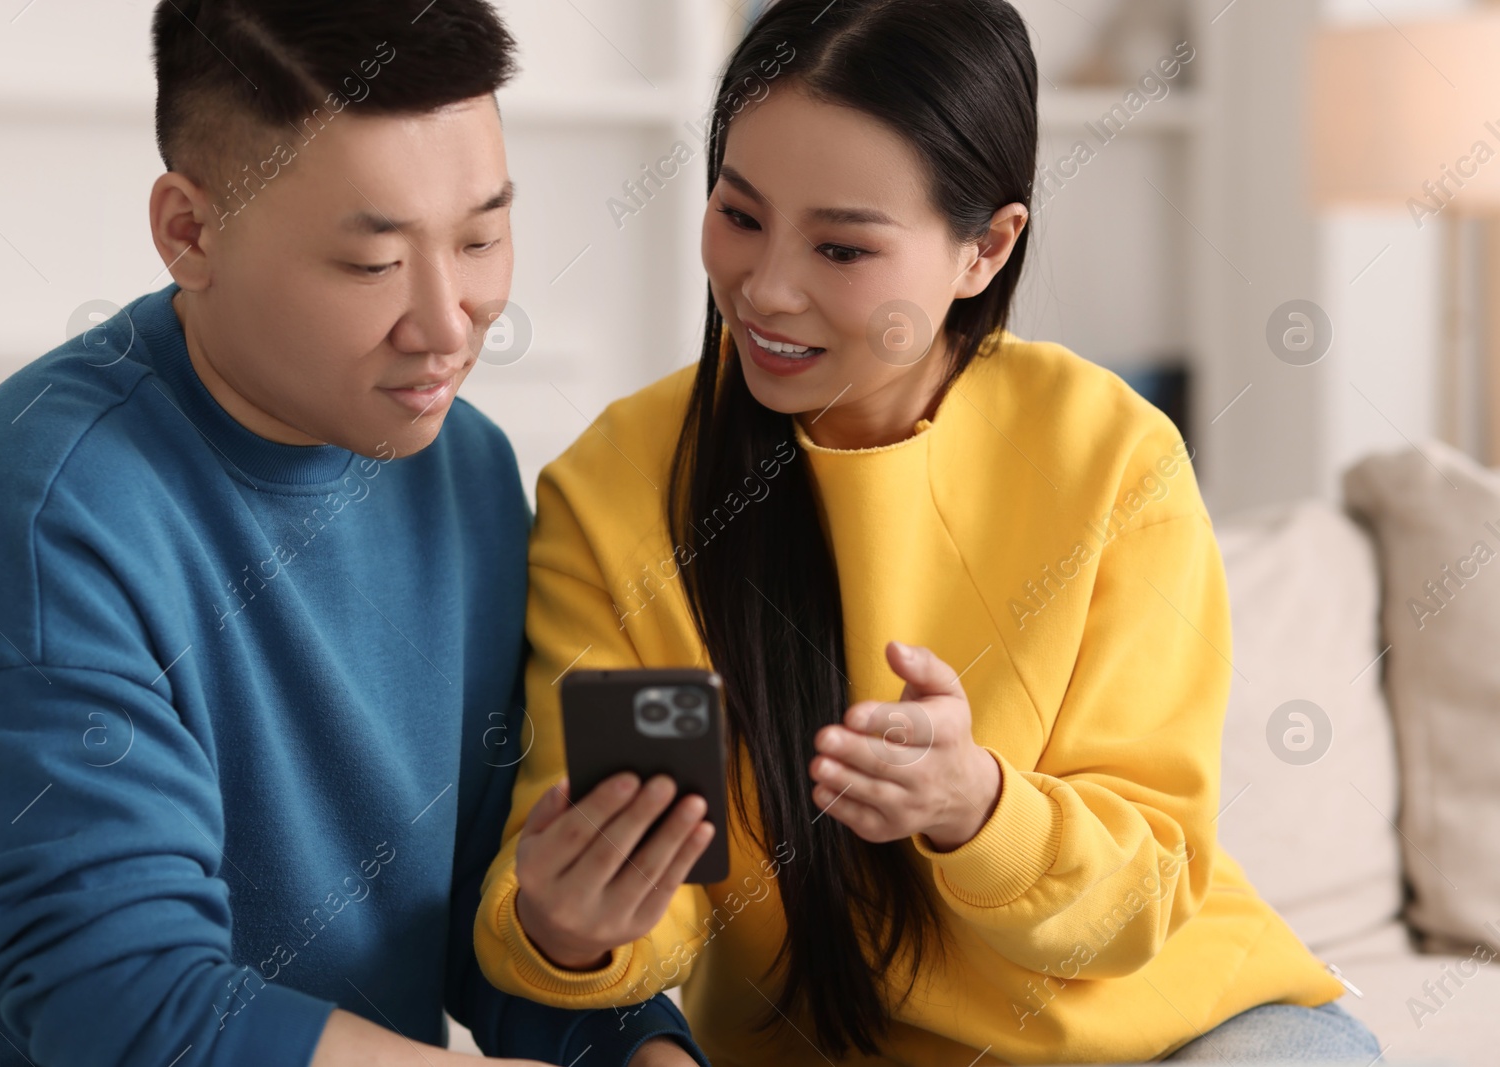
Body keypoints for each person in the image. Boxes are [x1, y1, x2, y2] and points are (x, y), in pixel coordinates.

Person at [471, 0, 1384, 1063]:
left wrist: (981, 807)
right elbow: (628, 891)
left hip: (1177, 1030)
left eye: (842, 247)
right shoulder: (616, 484)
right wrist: (571, 927)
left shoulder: (1113, 456)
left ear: (984, 250)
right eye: (740, 212)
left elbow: (1142, 897)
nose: (764, 288)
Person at [0, 2, 705, 1065]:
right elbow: (127, 1012)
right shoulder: (48, 503)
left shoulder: (461, 463)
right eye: (371, 265)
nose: (451, 323)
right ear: (191, 232)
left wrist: (628, 1024)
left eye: (480, 236)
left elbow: (484, 915)